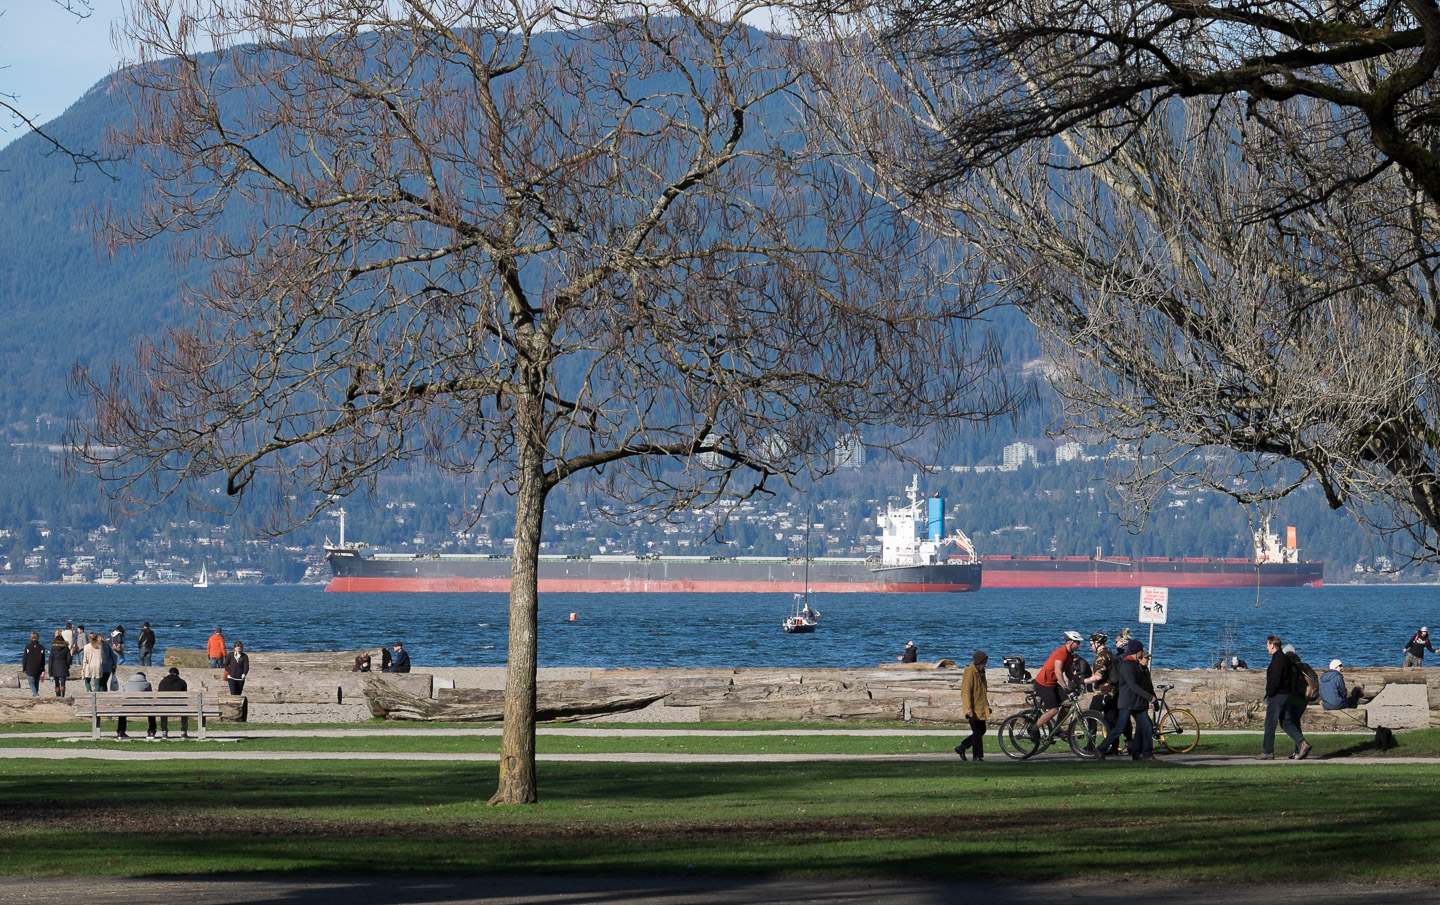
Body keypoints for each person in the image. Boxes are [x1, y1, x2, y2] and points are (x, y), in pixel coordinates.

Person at [1096, 639, 1156, 761]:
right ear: (1137, 651)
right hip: (1128, 702)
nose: (1142, 653)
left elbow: (1144, 683)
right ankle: (1101, 749)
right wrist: (1149, 697)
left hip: (1137, 703)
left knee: (1146, 726)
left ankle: (1143, 754)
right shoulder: (1127, 665)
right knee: (1120, 728)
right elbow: (1133, 685)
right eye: (1141, 650)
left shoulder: (1135, 665)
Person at [1256, 635, 1309, 760]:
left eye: (1268, 645)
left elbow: (1276, 679)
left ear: (1273, 645)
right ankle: (1302, 743)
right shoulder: (1284, 658)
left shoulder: (1278, 659)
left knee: (1269, 723)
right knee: (1286, 722)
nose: (1266, 647)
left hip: (1277, 695)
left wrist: (1270, 692)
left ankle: (1268, 751)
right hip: (1286, 695)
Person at [1032, 630, 1084, 738]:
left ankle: (1056, 728)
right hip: (1043, 684)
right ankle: (1033, 729)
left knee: (1068, 703)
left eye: (1079, 642)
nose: (1079, 645)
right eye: (1077, 642)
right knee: (1054, 709)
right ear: (1070, 642)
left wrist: (1079, 683)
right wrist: (1065, 686)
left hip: (1052, 683)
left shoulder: (1070, 655)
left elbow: (1069, 672)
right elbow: (1058, 671)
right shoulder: (1061, 653)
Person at [955, 650, 990, 761]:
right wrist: (968, 710)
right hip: (973, 708)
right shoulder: (970, 672)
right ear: (979, 662)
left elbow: (983, 692)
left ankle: (962, 747)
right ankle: (977, 756)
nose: (985, 664)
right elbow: (965, 692)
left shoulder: (980, 672)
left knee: (981, 731)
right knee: (977, 732)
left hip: (980, 707)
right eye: (984, 662)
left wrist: (987, 707)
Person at [1283, 644, 1313, 759]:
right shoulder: (1300, 665)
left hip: (1293, 699)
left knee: (1287, 723)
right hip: (1303, 700)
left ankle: (1302, 745)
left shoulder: (1288, 666)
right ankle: (1297, 751)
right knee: (1296, 724)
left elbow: (1290, 685)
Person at [116, 671, 156, 740]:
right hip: (142, 707)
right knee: (151, 713)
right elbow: (150, 697)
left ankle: (120, 732)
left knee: (122, 713)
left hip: (127, 706)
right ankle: (151, 732)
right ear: (144, 677)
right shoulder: (147, 684)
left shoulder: (126, 684)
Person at [157, 667, 189, 739]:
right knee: (185, 709)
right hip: (179, 706)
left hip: (165, 706)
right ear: (178, 674)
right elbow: (185, 696)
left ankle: (164, 731)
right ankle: (183, 732)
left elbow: (159, 695)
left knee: (163, 709)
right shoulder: (182, 682)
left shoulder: (162, 682)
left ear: (169, 673)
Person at [21, 631, 46, 697]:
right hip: (38, 667)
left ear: (31, 637)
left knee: (31, 683)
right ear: (38, 637)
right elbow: (43, 660)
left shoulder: (28, 647)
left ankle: (36, 695)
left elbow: (25, 658)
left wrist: (24, 668)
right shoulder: (41, 647)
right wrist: (43, 669)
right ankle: (35, 696)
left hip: (30, 667)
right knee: (36, 683)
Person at [48, 631, 71, 697]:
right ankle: (63, 694)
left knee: (56, 681)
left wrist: (50, 670)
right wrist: (68, 665)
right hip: (63, 665)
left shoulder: (53, 648)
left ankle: (57, 695)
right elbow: (69, 658)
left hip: (55, 666)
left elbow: (51, 659)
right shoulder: (66, 648)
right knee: (63, 681)